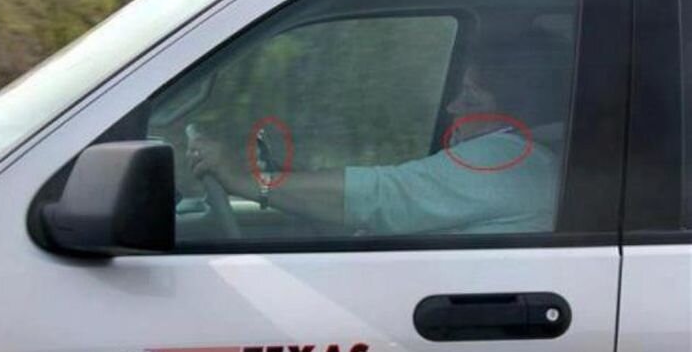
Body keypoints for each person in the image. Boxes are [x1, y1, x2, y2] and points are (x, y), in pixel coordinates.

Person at [186, 64, 561, 235]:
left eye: (471, 99)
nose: (452, 108)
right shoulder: (529, 161)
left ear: (518, 111)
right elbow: (380, 213)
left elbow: (387, 197)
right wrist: (291, 182)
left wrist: (247, 180)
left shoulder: (510, 160)